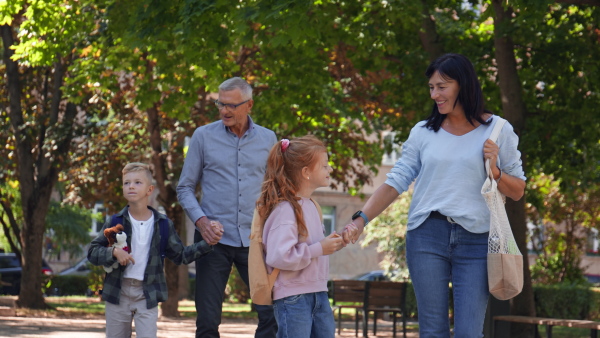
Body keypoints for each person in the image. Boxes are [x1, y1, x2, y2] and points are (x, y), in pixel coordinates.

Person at [342, 53, 526, 338]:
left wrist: (496, 171)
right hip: (427, 235)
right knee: (432, 331)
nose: (435, 94)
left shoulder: (498, 130)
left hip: (477, 239)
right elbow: (395, 181)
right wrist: (360, 219)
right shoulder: (423, 132)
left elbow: (518, 191)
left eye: (442, 86)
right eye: (431, 87)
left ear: (462, 85)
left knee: (468, 333)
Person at [177, 77, 278, 338]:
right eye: (220, 104)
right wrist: (202, 222)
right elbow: (185, 187)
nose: (225, 110)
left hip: (255, 240)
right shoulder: (203, 136)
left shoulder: (269, 139)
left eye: (232, 105)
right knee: (208, 321)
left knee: (271, 313)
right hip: (212, 242)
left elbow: (275, 189)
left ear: (249, 105)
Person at [88, 162, 213, 338]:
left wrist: (208, 243)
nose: (131, 186)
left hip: (147, 293)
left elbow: (180, 256)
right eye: (126, 183)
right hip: (118, 292)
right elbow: (92, 252)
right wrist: (113, 252)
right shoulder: (115, 222)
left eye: (137, 182)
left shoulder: (163, 225)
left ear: (150, 190)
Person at [257, 136, 344, 338]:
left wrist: (333, 243)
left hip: (318, 294)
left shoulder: (311, 206)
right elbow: (279, 256)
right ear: (306, 172)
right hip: (293, 297)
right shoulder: (285, 210)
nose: (330, 170)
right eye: (324, 166)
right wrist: (319, 249)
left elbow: (313, 247)